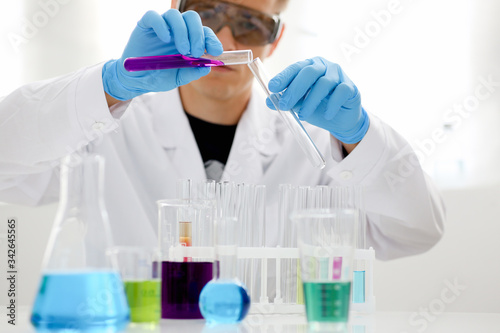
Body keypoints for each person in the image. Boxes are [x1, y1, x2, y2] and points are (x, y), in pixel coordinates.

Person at [0, 0, 444, 261]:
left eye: (250, 24)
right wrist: (112, 84)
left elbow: (416, 231)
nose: (226, 44)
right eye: (208, 14)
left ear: (276, 39)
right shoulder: (102, 120)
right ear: (177, 11)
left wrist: (361, 138)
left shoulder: (317, 146)